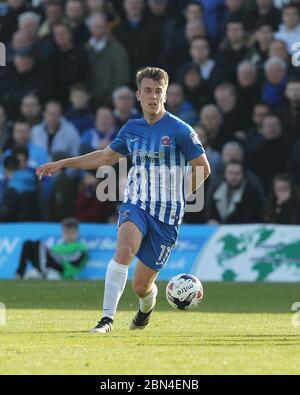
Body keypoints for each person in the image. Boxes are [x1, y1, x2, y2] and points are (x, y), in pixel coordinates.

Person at [36, 66, 211, 333]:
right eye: (148, 91)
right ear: (138, 95)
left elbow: (203, 167)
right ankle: (106, 320)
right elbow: (105, 157)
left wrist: (180, 195)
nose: (153, 96)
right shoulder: (132, 129)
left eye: (158, 92)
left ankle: (145, 309)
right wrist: (63, 163)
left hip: (167, 218)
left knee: (141, 286)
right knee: (125, 249)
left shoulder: (180, 131)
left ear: (165, 96)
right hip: (136, 203)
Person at [16, 217, 88, 279]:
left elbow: (74, 261)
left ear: (77, 233)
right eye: (66, 232)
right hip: (51, 264)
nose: (69, 235)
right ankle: (20, 274)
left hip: (63, 270)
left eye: (72, 232)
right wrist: (51, 253)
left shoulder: (80, 247)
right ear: (62, 232)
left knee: (40, 244)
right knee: (27, 243)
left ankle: (42, 272)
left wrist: (54, 254)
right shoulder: (57, 246)